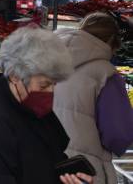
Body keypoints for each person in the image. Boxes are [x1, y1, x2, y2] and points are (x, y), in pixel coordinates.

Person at [0, 27, 94, 184]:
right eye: (43, 86)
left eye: (53, 84)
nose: (50, 92)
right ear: (15, 76)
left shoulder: (33, 108)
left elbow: (53, 159)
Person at [54, 13, 133, 184]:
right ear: (112, 42)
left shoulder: (48, 61)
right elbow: (118, 134)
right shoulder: (105, 74)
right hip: (85, 168)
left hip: (46, 158)